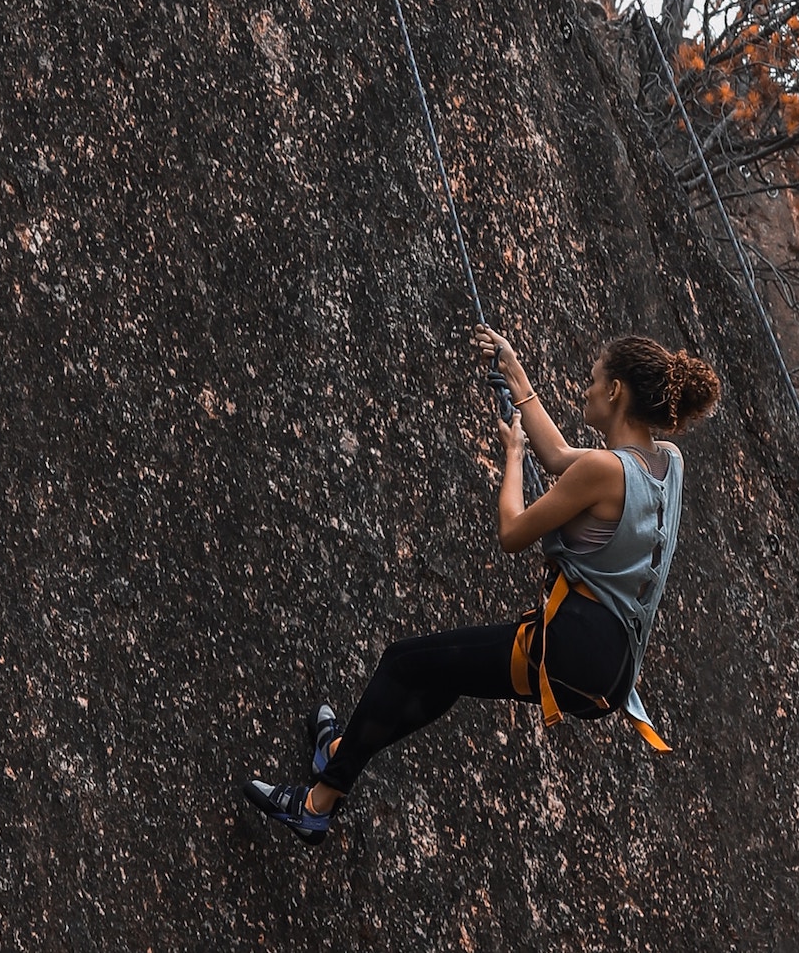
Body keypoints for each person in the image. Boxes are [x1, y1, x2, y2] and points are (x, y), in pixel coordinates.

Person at [241, 325, 721, 844]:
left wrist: (512, 458)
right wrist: (513, 371)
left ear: (615, 391)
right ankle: (339, 754)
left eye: (593, 378)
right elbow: (559, 456)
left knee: (403, 662)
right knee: (444, 672)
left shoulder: (606, 469)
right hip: (611, 669)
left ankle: (317, 802)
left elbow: (513, 531)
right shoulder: (668, 462)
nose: (585, 388)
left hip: (570, 652)